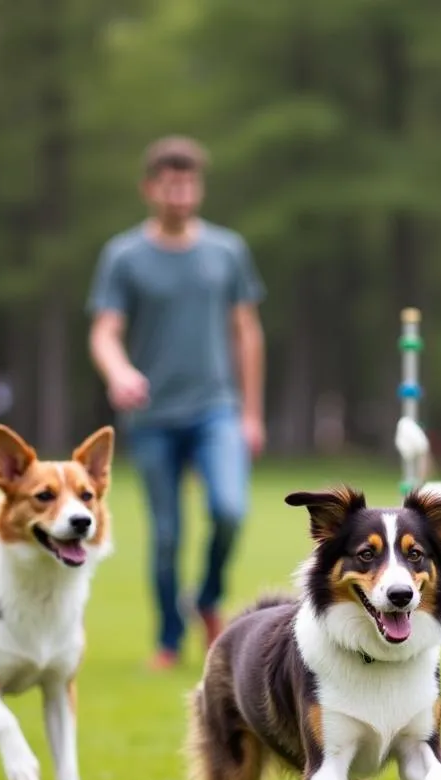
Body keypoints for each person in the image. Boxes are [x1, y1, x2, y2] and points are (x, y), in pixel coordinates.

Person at [87, 135, 267, 670]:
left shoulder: (227, 251)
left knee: (230, 511)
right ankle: (169, 638)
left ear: (200, 187)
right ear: (150, 189)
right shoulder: (124, 256)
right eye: (171, 185)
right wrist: (119, 372)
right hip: (152, 417)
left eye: (190, 183)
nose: (181, 194)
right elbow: (104, 331)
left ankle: (207, 597)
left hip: (217, 409)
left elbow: (247, 332)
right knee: (165, 536)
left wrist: (252, 413)